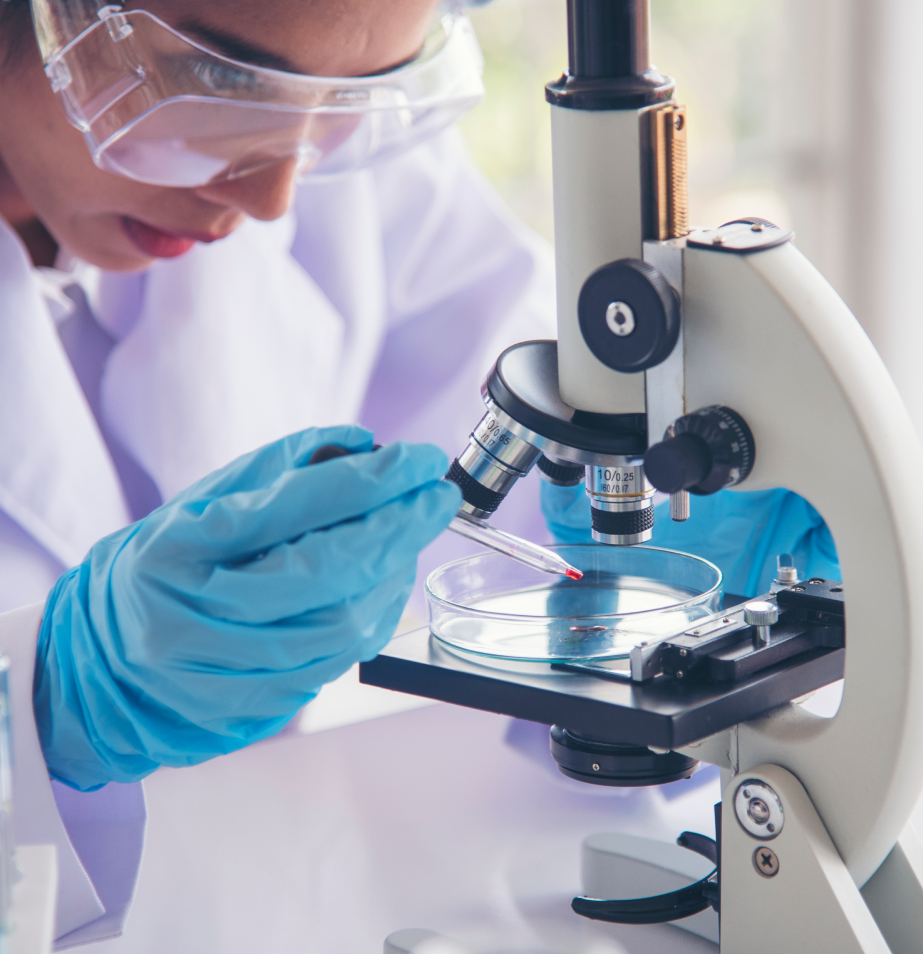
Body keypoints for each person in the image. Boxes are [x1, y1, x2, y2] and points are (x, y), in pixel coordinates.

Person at [0, 0, 838, 949]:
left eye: (354, 94)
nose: (276, 194)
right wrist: (38, 709)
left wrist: (654, 536)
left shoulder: (340, 162)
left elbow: (531, 419)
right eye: (225, 79)